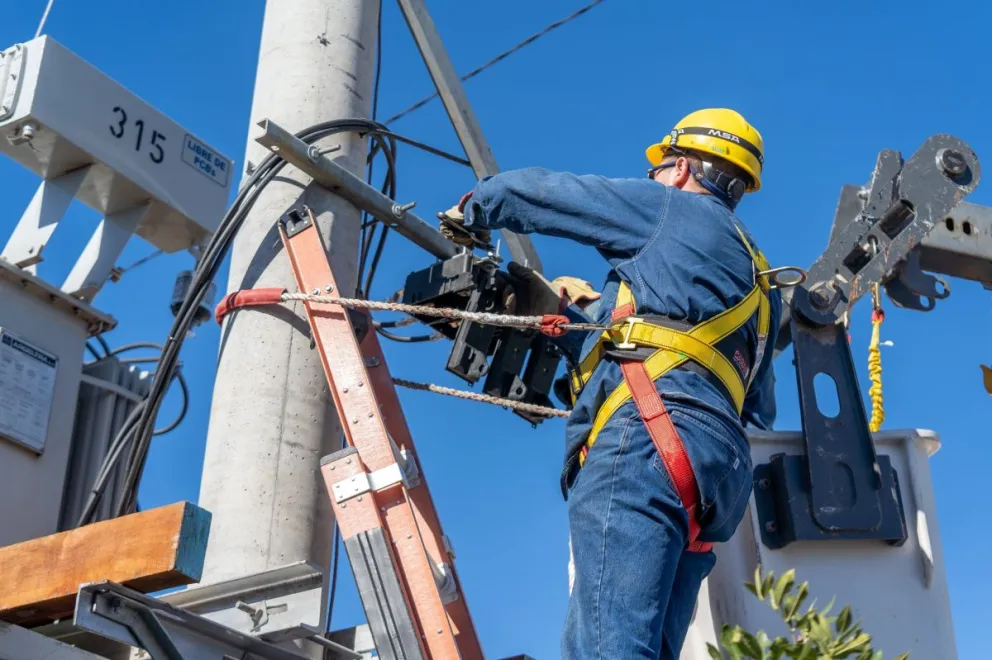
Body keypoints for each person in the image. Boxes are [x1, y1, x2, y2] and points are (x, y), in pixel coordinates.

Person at [439, 108, 782, 659]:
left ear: (681, 167)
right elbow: (752, 402)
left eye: (659, 169)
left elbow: (551, 195)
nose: (654, 177)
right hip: (718, 477)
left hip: (650, 440)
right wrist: (593, 318)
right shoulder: (764, 286)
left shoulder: (671, 208)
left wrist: (474, 206)